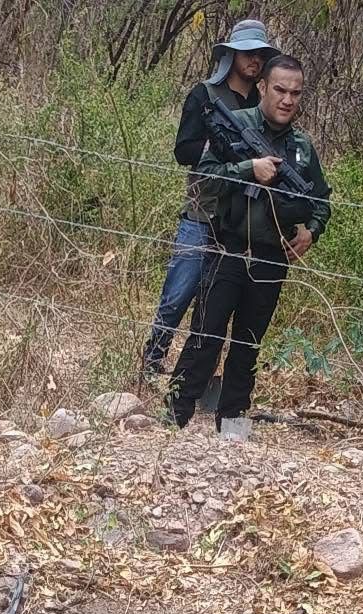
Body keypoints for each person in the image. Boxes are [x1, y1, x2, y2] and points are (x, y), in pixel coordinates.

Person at [166, 54, 332, 434]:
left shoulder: (302, 148)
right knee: (206, 335)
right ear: (263, 87)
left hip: (272, 258)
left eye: (295, 93)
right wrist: (248, 169)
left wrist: (311, 230)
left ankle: (233, 427)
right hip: (227, 247)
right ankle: (174, 418)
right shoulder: (235, 126)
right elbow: (205, 177)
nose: (287, 100)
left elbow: (322, 199)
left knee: (248, 345)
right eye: (280, 90)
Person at [142, 20, 280, 375]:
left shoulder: (262, 103)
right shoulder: (204, 95)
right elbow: (183, 150)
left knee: (215, 306)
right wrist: (225, 152)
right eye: (248, 53)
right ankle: (152, 361)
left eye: (260, 55)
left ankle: (192, 375)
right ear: (232, 55)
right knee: (178, 295)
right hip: (202, 212)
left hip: (239, 222)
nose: (254, 60)